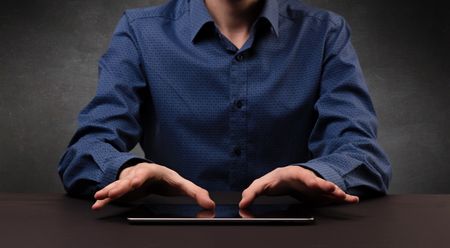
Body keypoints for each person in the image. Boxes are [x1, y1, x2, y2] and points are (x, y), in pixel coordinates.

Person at [58, 0, 392, 210]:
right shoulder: (139, 31)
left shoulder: (325, 33)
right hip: (173, 235)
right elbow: (86, 150)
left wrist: (314, 174)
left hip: (297, 232)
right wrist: (126, 170)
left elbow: (362, 153)